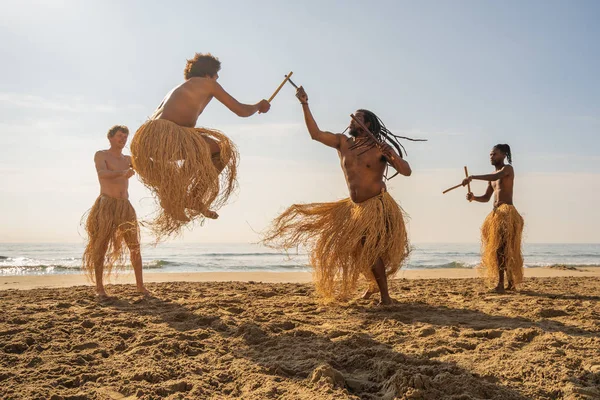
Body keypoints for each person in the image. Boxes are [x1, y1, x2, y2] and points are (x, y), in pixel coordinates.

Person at [263, 87, 413, 304]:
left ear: (368, 124)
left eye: (358, 118)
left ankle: (385, 297)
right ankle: (374, 284)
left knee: (369, 249)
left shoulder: (379, 148)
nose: (352, 121)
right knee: (355, 251)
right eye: (352, 119)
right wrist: (305, 104)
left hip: (376, 205)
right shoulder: (344, 143)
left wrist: (392, 156)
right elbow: (315, 134)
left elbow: (406, 171)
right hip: (354, 208)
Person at [130, 53, 271, 238]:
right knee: (222, 150)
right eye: (216, 74)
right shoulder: (208, 84)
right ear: (208, 74)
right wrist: (258, 105)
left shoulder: (179, 88)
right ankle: (184, 194)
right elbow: (241, 111)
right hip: (166, 135)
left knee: (205, 148)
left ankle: (184, 195)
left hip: (148, 140)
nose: (218, 78)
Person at [82, 125, 148, 298]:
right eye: (120, 136)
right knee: (101, 246)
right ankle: (99, 288)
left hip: (125, 206)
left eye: (125, 137)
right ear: (110, 137)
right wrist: (122, 173)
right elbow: (102, 174)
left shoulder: (128, 158)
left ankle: (140, 286)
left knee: (135, 246)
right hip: (106, 205)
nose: (123, 139)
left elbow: (147, 166)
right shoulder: (101, 155)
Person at [462, 144, 524, 292]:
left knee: (503, 249)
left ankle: (503, 284)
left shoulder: (507, 169)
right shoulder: (491, 178)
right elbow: (486, 197)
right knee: (500, 249)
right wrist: (474, 197)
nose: (491, 157)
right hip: (496, 214)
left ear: (503, 155)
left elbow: (496, 176)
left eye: (494, 154)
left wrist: (473, 177)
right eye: (490, 154)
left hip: (508, 213)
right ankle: (509, 284)